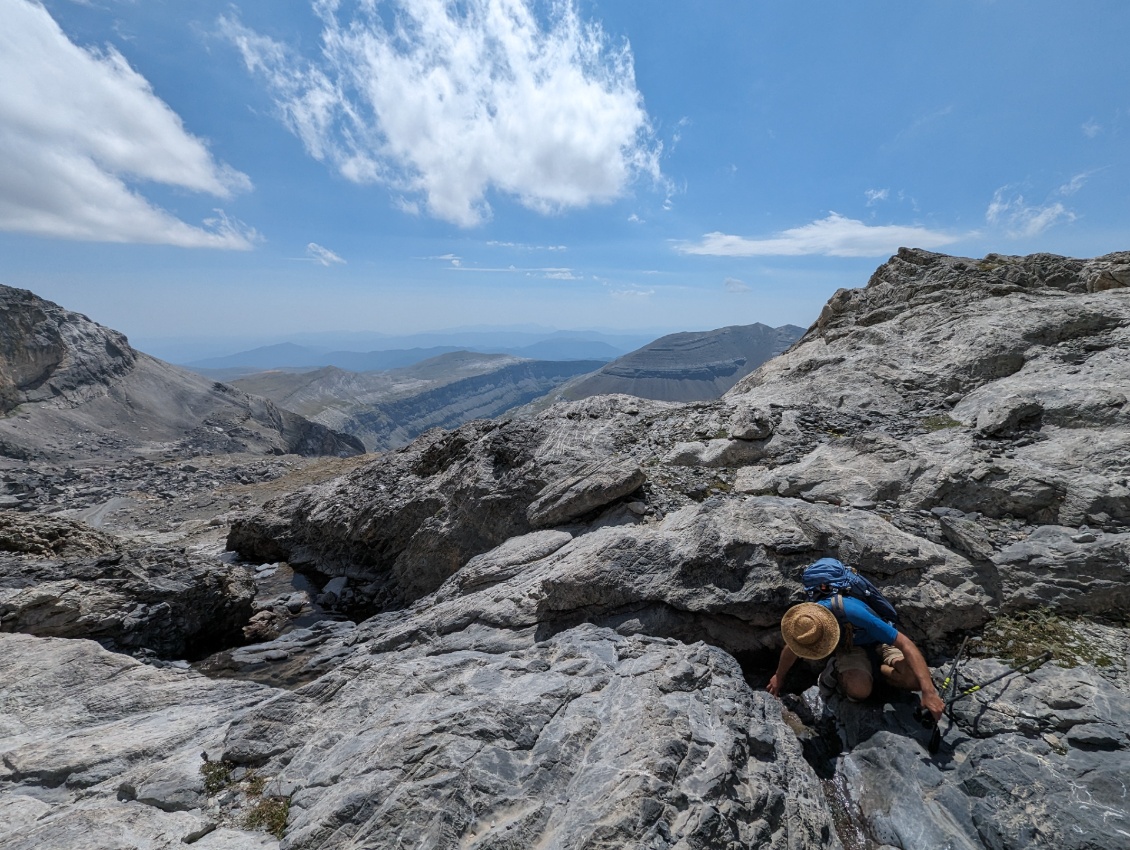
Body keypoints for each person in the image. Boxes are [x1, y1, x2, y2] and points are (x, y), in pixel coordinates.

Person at [766, 598, 945, 722]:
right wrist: (778, 677)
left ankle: (874, 673)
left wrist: (928, 691)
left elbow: (906, 644)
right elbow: (791, 650)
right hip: (849, 647)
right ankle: (842, 671)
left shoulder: (855, 615)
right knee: (859, 691)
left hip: (878, 640)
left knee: (914, 680)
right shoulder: (808, 622)